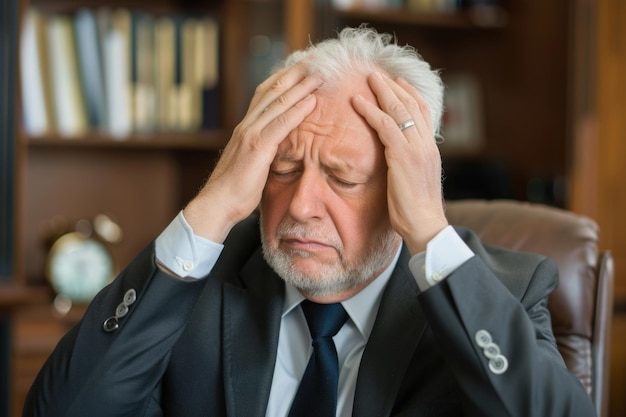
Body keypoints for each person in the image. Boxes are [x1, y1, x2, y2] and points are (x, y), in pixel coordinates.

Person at [23, 26, 595, 417]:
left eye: (344, 179)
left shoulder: (504, 294)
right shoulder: (197, 282)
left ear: (407, 183)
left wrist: (428, 227)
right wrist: (213, 207)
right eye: (283, 168)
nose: (300, 206)